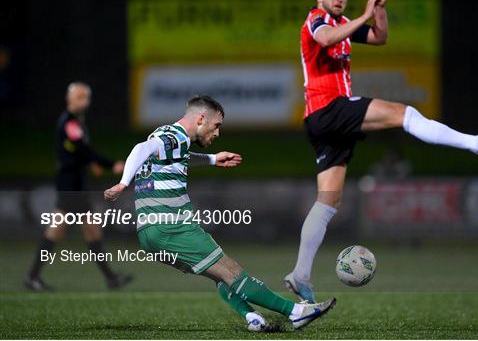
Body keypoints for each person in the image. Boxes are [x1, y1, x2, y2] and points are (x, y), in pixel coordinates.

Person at [283, 0, 478, 303]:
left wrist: (378, 9)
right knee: (405, 115)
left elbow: (379, 37)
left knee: (328, 200)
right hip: (329, 108)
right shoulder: (316, 19)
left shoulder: (343, 23)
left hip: (323, 121)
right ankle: (477, 144)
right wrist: (362, 14)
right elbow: (325, 39)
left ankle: (300, 275)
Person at [103, 95, 336, 332]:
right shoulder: (175, 136)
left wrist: (213, 159)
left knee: (219, 275)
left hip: (150, 233)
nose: (217, 133)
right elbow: (142, 148)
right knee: (232, 272)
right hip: (172, 226)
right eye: (216, 126)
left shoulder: (167, 135)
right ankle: (296, 312)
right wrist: (123, 183)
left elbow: (175, 157)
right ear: (201, 119)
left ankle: (252, 317)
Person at [25, 82, 132, 291]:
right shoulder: (69, 122)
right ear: (69, 99)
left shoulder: (75, 121)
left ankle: (33, 276)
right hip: (71, 187)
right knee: (75, 231)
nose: (85, 102)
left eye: (87, 97)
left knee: (79, 231)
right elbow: (83, 149)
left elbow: (77, 151)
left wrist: (91, 163)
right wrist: (110, 164)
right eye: (80, 97)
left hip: (74, 185)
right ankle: (110, 278)